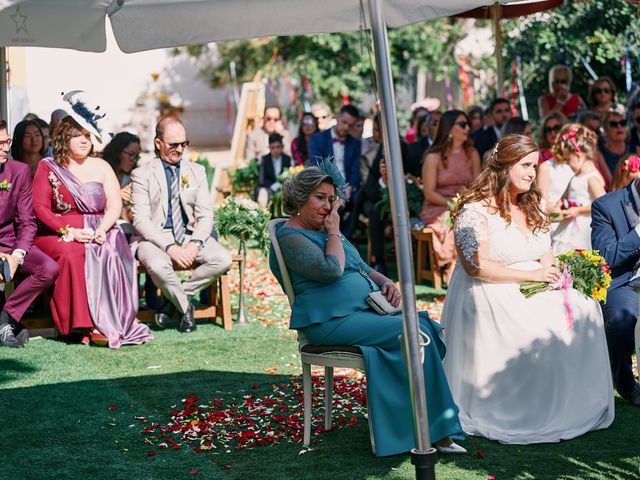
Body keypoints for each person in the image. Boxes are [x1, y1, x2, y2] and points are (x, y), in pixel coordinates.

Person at [269, 163, 466, 456]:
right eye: (320, 198)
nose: (328, 206)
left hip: (362, 311)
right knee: (412, 333)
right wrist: (335, 231)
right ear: (300, 199)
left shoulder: (325, 230)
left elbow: (360, 266)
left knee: (423, 328)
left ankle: (430, 426)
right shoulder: (290, 236)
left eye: (331, 199)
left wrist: (385, 281)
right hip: (330, 321)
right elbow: (332, 269)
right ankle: (429, 431)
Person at [441, 133, 614, 443]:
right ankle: (526, 403)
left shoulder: (533, 205)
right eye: (524, 165)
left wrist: (556, 277)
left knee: (583, 305)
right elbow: (476, 267)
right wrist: (532, 276)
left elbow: (545, 254)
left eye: (534, 166)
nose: (532, 173)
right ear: (504, 166)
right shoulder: (475, 211)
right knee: (535, 322)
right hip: (488, 290)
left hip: (532, 280)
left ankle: (569, 401)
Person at [32, 107, 152, 348]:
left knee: (112, 248)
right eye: (79, 135)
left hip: (100, 228)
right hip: (58, 232)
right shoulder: (49, 166)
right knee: (74, 253)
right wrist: (70, 232)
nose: (85, 141)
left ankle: (115, 318)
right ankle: (80, 324)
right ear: (66, 137)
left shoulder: (101, 166)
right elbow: (40, 208)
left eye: (88, 136)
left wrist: (103, 229)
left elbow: (114, 203)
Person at [132, 116, 232, 333]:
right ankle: (186, 308)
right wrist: (169, 248)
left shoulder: (197, 171)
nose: (180, 149)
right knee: (158, 266)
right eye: (173, 144)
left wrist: (195, 243)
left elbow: (206, 215)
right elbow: (140, 220)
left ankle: (174, 300)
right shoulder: (142, 174)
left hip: (189, 234)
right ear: (158, 144)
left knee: (223, 259)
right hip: (155, 237)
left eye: (184, 144)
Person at [0, 120, 58, 348]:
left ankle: (7, 317)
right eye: (0, 143)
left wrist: (17, 254)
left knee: (49, 268)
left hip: (12, 244)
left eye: (7, 142)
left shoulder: (18, 170)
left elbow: (27, 221)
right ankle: (9, 325)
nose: (5, 147)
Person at [592, 164, 640, 406]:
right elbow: (606, 258)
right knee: (622, 320)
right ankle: (626, 384)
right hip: (626, 282)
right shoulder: (606, 206)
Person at [421, 110, 481, 282]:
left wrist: (466, 201)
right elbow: (429, 192)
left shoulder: (472, 153)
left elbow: (477, 186)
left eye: (468, 124)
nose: (467, 128)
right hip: (438, 206)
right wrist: (453, 204)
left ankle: (474, 263)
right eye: (462, 124)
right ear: (449, 128)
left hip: (467, 202)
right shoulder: (433, 157)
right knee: (451, 217)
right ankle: (451, 266)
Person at [550, 124, 606, 254]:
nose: (568, 164)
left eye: (568, 160)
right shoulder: (575, 176)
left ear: (578, 155)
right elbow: (562, 199)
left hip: (583, 228)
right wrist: (556, 210)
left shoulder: (591, 178)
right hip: (569, 225)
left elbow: (603, 204)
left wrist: (579, 210)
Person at [308, 104, 362, 202]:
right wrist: (334, 191)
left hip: (349, 190)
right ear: (337, 117)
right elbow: (317, 168)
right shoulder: (317, 139)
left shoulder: (355, 143)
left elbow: (356, 171)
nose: (346, 127)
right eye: (344, 122)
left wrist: (349, 188)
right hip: (325, 188)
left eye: (350, 125)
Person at [598, 110, 638, 180]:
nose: (619, 126)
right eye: (613, 124)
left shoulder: (637, 150)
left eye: (623, 123)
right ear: (605, 129)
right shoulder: (599, 153)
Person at [256, 133, 292, 207]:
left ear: (282, 147)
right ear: (269, 147)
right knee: (263, 194)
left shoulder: (287, 159)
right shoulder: (265, 159)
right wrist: (272, 185)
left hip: (284, 188)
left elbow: (290, 175)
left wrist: (282, 185)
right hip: (269, 188)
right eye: (273, 147)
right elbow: (262, 180)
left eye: (278, 147)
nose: (276, 150)